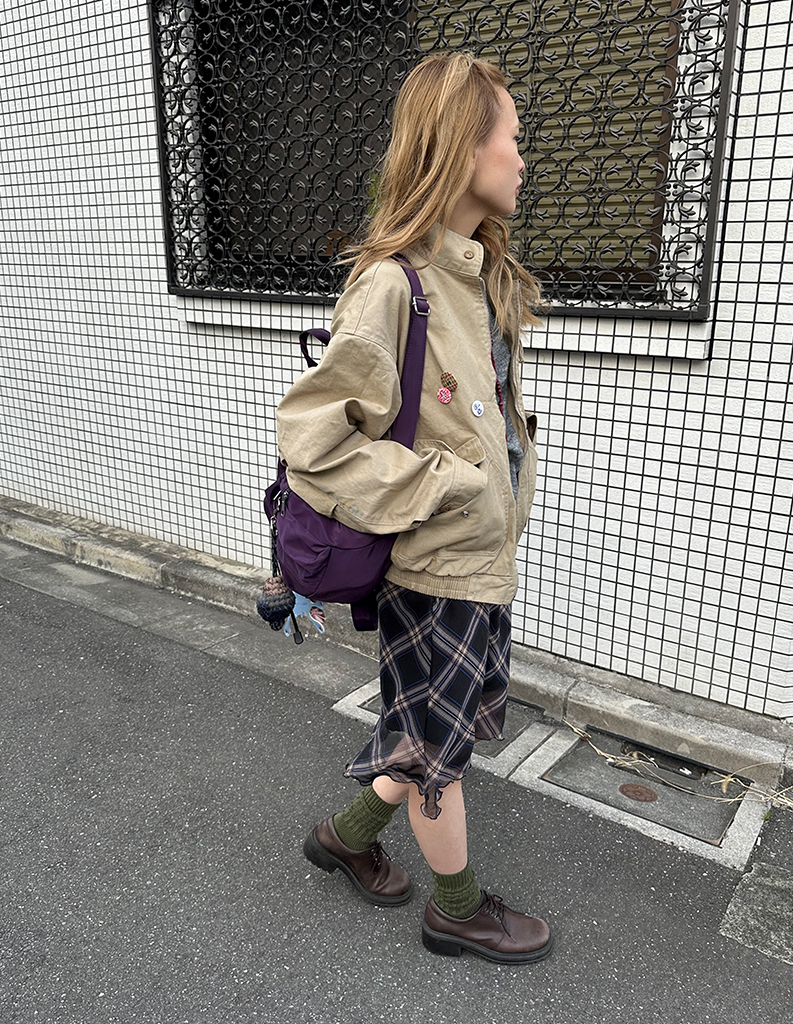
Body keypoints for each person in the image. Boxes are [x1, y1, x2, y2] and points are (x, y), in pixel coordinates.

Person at [276, 51, 550, 964]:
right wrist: (452, 484)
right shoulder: (393, 285)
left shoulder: (478, 274)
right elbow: (316, 441)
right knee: (439, 748)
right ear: (464, 146)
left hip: (478, 561)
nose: (524, 158)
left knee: (432, 727)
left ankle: (344, 838)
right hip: (434, 570)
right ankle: (456, 911)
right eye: (513, 137)